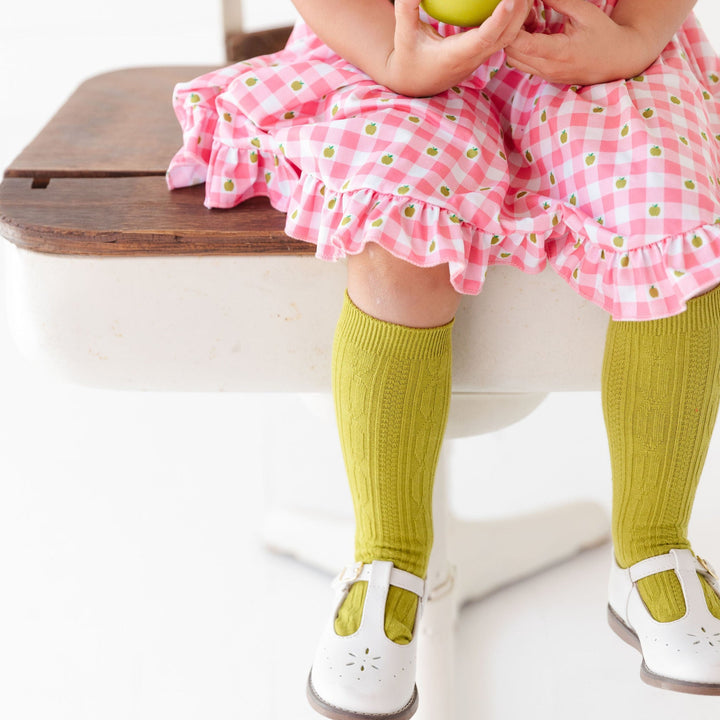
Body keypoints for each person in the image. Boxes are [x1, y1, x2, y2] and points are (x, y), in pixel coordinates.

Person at [167, 0, 720, 715]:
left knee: (677, 219)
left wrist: (637, 35)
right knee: (399, 240)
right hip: (392, 48)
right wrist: (393, 57)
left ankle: (651, 542)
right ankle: (387, 554)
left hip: (597, 44)